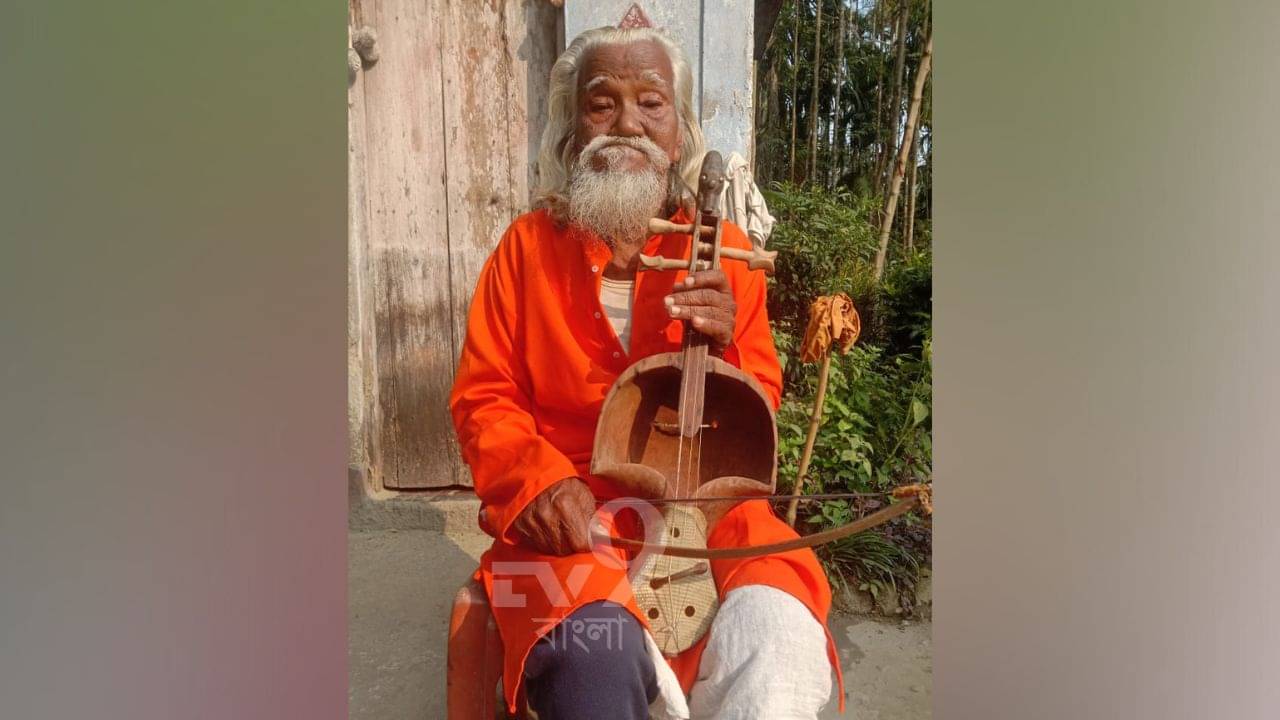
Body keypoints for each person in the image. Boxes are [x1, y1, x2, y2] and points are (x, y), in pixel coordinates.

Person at [449, 25, 842, 719]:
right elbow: (486, 398)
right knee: (592, 661)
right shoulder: (526, 249)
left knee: (778, 643)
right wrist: (537, 483)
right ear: (572, 128)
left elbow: (762, 407)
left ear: (678, 129)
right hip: (571, 525)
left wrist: (725, 355)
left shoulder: (730, 255)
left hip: (716, 516)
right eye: (601, 103)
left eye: (651, 102)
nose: (626, 122)